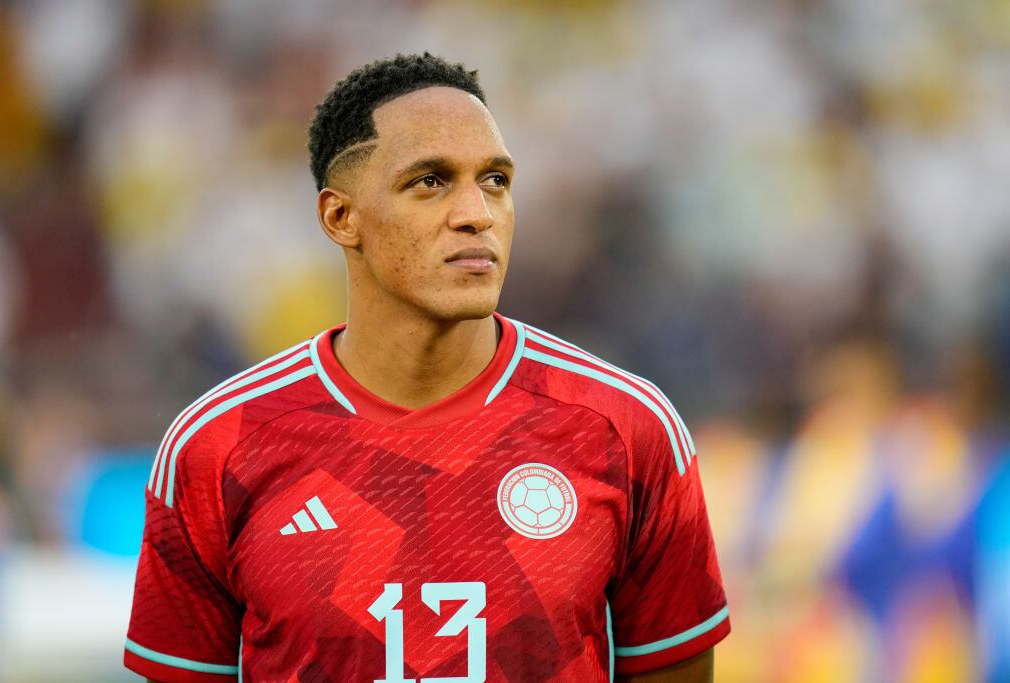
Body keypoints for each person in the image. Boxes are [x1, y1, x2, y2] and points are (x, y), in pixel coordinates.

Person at [124, 52, 729, 683]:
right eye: (430, 181)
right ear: (341, 217)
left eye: (495, 180)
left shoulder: (627, 428)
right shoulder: (217, 446)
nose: (477, 214)